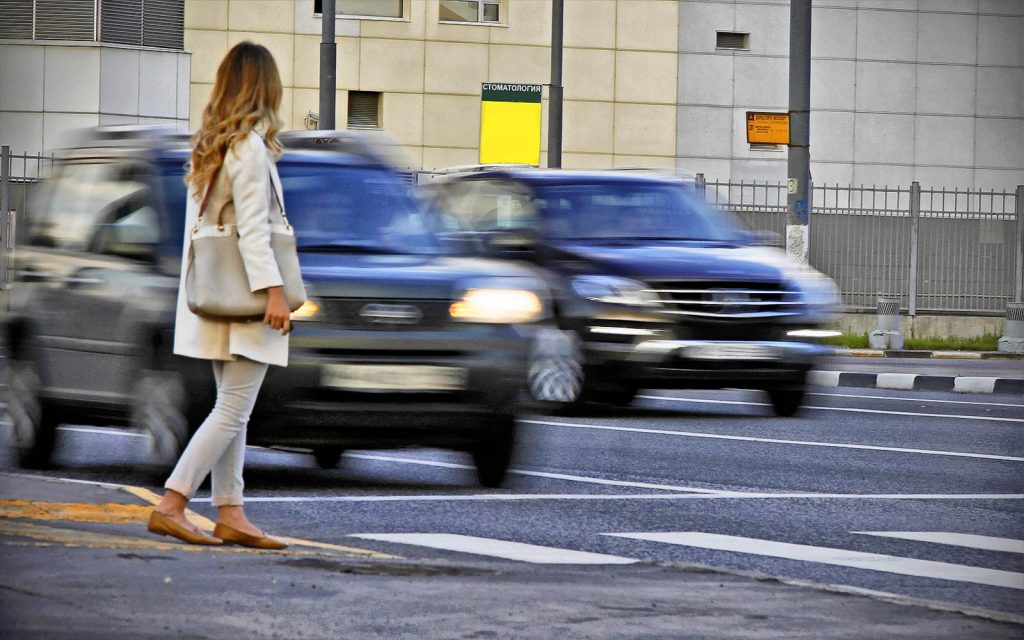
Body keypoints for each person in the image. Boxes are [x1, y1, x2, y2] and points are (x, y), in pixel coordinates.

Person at [147, 41, 292, 549]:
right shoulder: (248, 147)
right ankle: (173, 502)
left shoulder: (213, 142)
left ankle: (231, 510)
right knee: (233, 407)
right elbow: (253, 231)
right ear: (264, 86)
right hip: (247, 297)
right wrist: (275, 292)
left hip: (218, 295)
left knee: (232, 407)